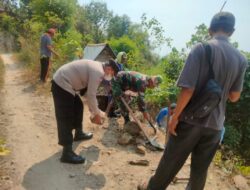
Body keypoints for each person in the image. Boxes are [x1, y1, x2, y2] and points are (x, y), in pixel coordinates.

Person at [138, 12, 247, 190]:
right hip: (215, 126)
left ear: (210, 29)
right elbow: (234, 97)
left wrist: (175, 117)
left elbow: (188, 89)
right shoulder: (241, 59)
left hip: (190, 121)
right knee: (199, 171)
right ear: (232, 31)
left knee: (170, 162)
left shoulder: (202, 48)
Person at [51, 59, 119, 164]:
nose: (110, 76)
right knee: (65, 116)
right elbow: (91, 95)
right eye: (112, 74)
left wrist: (95, 111)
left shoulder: (97, 67)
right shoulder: (99, 72)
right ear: (109, 69)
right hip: (62, 83)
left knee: (78, 106)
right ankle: (67, 153)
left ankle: (79, 133)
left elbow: (88, 94)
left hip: (68, 84)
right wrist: (96, 114)